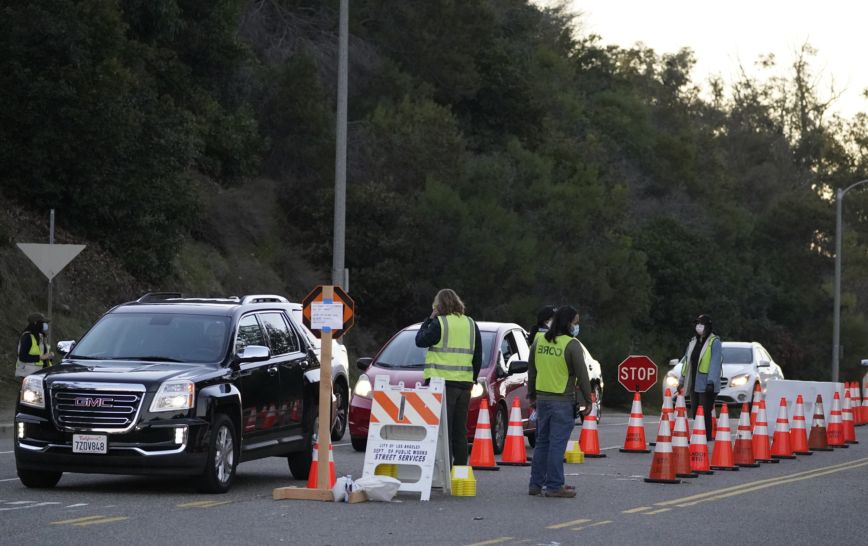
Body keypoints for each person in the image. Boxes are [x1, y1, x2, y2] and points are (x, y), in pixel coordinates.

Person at [527, 305, 592, 498]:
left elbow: (532, 370)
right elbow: (582, 374)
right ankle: (555, 485)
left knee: (542, 442)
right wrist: (588, 400)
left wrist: (532, 395)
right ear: (567, 323)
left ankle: (535, 484)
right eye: (575, 322)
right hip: (562, 400)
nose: (576, 326)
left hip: (542, 399)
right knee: (557, 444)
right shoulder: (571, 344)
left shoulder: (538, 341)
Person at [415, 288, 482, 466]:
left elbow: (420, 340)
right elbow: (477, 356)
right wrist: (472, 379)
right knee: (460, 430)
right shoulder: (470, 324)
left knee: (444, 429)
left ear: (439, 305)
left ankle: (443, 469)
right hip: (465, 384)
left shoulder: (439, 323)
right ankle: (460, 471)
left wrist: (429, 318)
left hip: (442, 383)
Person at [678, 314, 722, 440]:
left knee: (705, 411)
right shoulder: (693, 342)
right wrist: (682, 380)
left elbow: (715, 363)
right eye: (697, 323)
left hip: (706, 384)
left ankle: (706, 436)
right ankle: (699, 433)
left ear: (708, 326)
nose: (699, 326)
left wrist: (711, 382)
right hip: (693, 382)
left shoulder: (714, 342)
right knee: (696, 410)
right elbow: (687, 362)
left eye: (701, 324)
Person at [15, 312, 55, 379]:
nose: (45, 325)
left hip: (40, 374)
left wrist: (49, 356)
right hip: (28, 374)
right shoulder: (27, 336)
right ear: (35, 323)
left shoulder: (41, 336)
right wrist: (41, 357)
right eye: (42, 323)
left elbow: (42, 354)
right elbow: (22, 357)